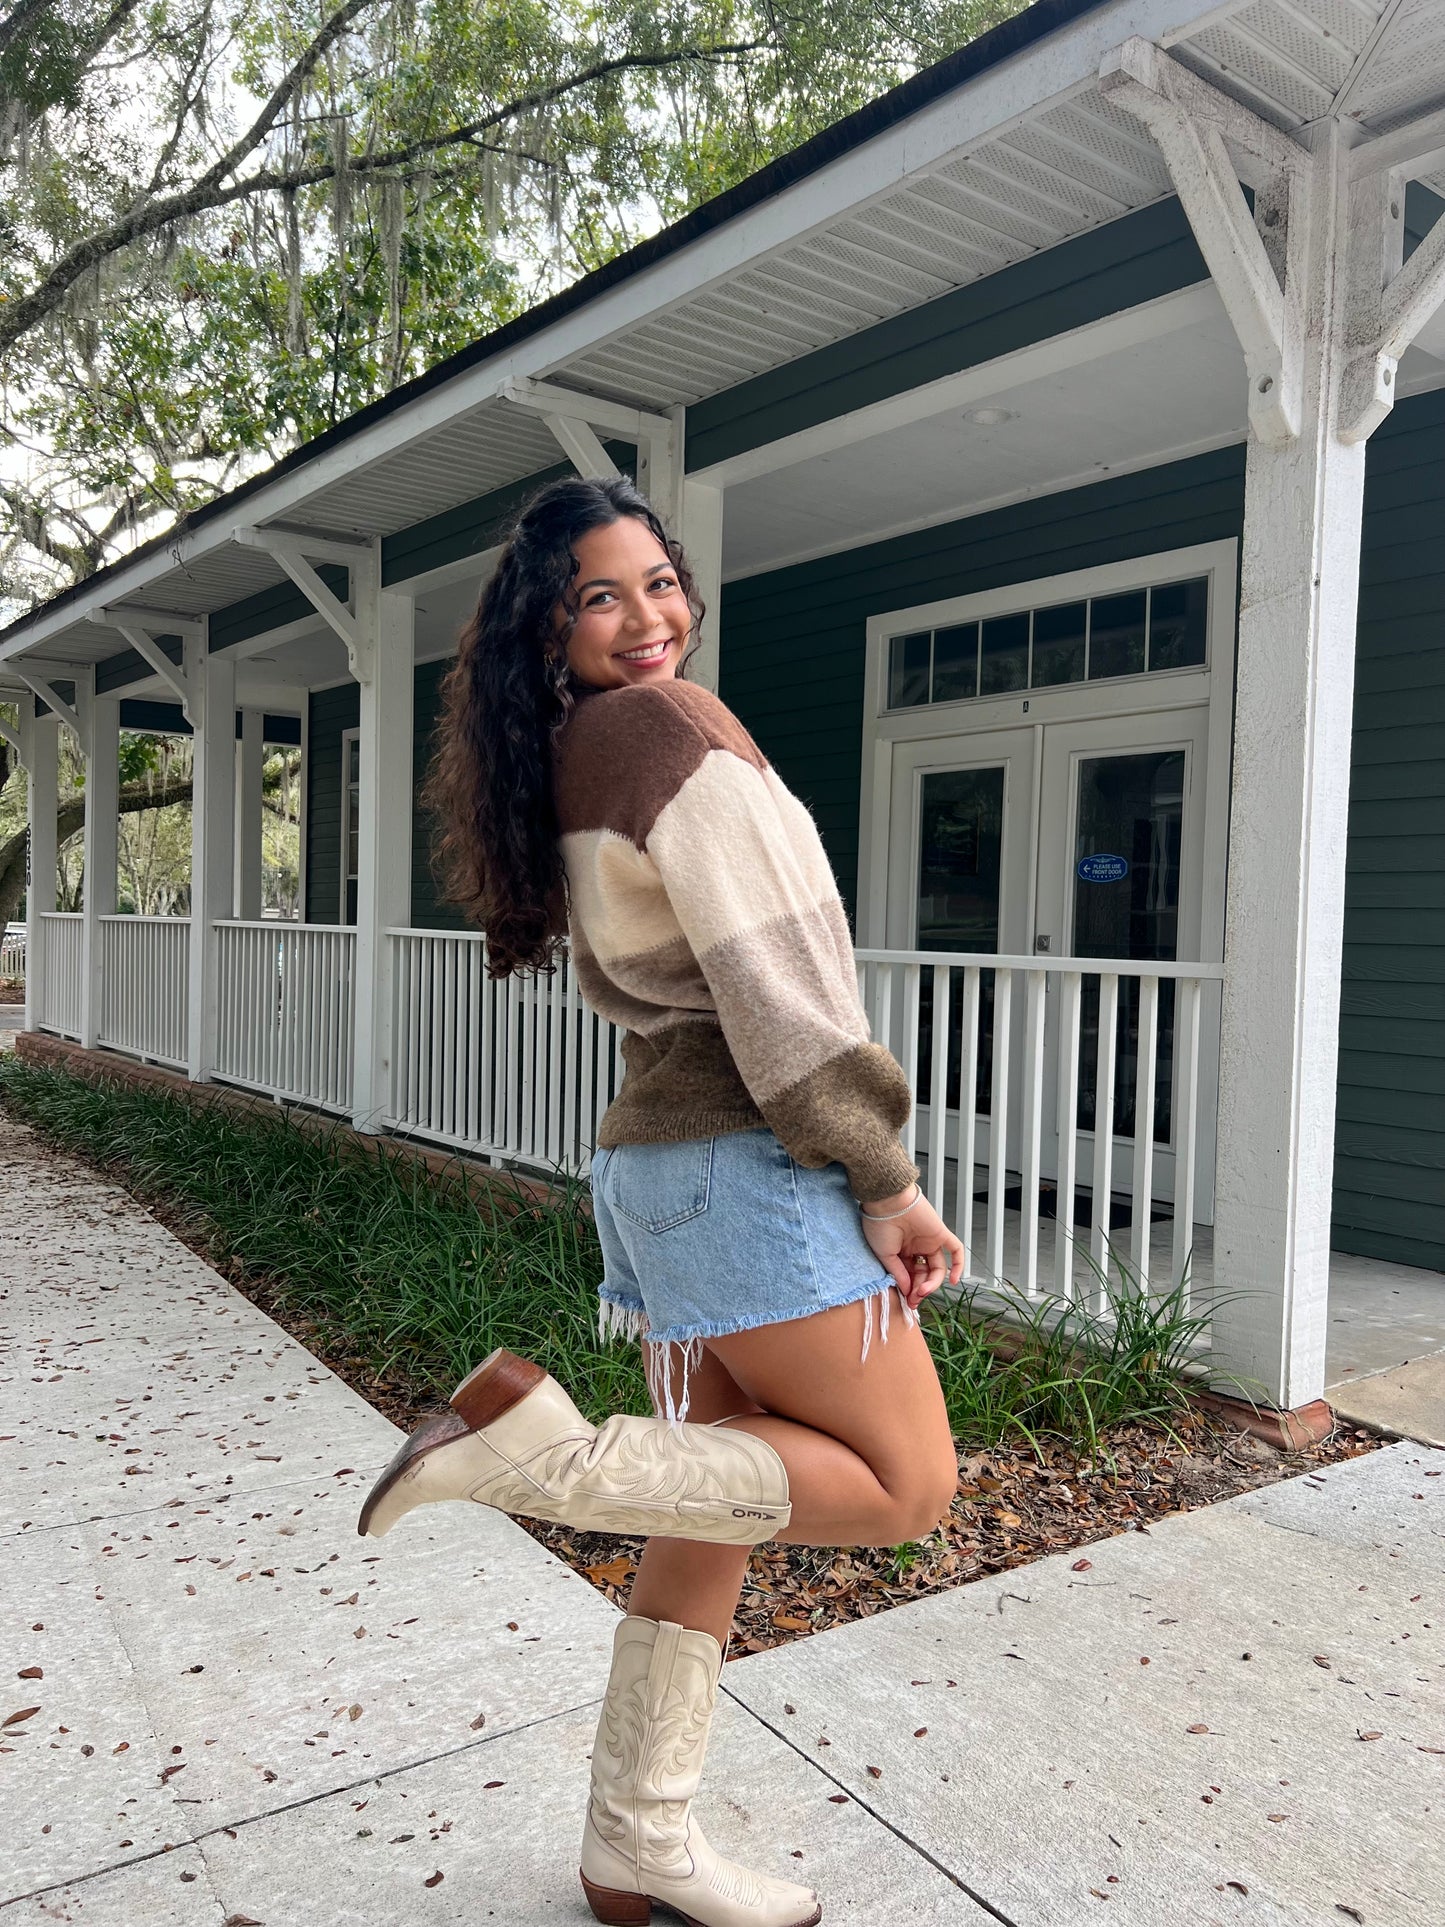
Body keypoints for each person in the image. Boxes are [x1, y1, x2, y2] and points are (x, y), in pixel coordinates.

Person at [357, 476, 965, 1927]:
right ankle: (539, 1459)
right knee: (909, 1487)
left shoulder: (576, 750)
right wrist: (883, 1175)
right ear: (550, 629)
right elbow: (777, 980)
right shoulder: (670, 730)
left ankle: (636, 1841)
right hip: (743, 1161)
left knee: (711, 1518)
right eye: (600, 596)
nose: (646, 619)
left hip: (661, 1171)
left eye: (659, 583)